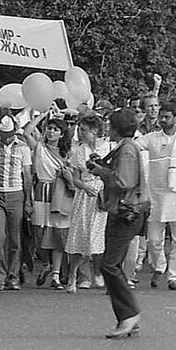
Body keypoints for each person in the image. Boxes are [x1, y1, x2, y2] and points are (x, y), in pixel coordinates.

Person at [88, 109, 145, 338]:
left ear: (117, 127)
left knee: (109, 265)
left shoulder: (127, 149)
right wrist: (103, 166)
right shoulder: (124, 147)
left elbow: (124, 181)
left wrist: (101, 171)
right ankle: (127, 317)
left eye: (110, 124)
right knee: (111, 264)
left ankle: (129, 314)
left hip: (126, 211)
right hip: (122, 210)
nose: (107, 128)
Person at [136, 101, 176, 291]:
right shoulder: (152, 138)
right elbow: (133, 145)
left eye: (167, 117)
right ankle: (160, 266)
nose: (163, 120)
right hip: (156, 195)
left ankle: (175, 277)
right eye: (161, 116)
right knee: (154, 240)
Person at [24, 112, 72, 290]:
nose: (51, 132)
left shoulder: (68, 153)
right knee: (39, 232)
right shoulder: (39, 148)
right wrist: (42, 115)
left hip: (59, 192)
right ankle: (46, 265)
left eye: (55, 129)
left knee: (58, 234)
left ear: (62, 133)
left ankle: (57, 275)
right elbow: (26, 133)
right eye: (49, 129)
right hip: (41, 191)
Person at [0, 114, 32, 291]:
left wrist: (28, 200)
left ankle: (13, 276)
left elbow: (26, 175)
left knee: (15, 238)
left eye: (10, 134)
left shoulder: (23, 148)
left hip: (16, 193)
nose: (7, 138)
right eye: (4, 135)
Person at [65, 114, 110, 293]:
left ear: (95, 131)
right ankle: (73, 275)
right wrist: (84, 186)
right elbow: (74, 178)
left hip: (101, 195)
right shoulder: (78, 151)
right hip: (84, 196)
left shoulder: (107, 148)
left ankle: (98, 273)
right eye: (79, 129)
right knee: (80, 235)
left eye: (84, 130)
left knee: (98, 235)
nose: (80, 133)